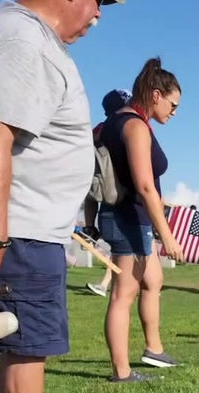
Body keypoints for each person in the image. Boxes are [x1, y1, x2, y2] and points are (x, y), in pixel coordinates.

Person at [0, 0, 126, 393]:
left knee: (19, 337)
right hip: (21, 227)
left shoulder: (19, 35)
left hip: (27, 226)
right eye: (98, 2)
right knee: (32, 342)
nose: (98, 15)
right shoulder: (21, 39)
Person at [97, 57, 184, 383]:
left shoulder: (122, 122)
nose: (174, 112)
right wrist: (169, 237)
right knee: (123, 294)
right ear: (156, 94)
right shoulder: (133, 126)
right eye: (173, 105)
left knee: (153, 280)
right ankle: (121, 371)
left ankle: (153, 348)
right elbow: (145, 187)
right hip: (128, 218)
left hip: (132, 218)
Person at [83, 88, 132, 297]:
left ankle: (107, 283)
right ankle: (107, 284)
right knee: (124, 249)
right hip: (124, 200)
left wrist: (89, 224)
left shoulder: (97, 132)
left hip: (103, 198)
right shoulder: (129, 127)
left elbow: (90, 189)